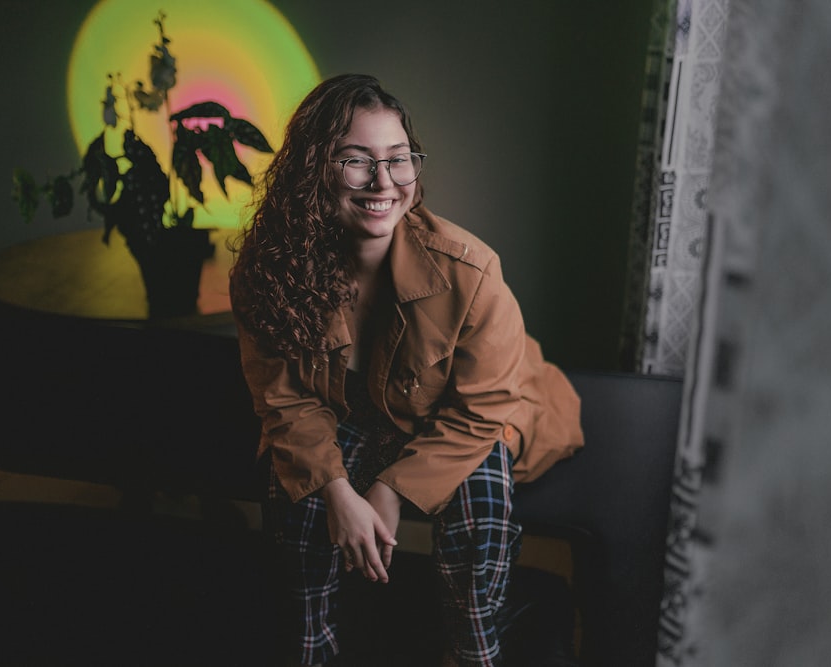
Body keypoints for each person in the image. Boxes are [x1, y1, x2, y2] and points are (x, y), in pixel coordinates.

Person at [229, 73, 584, 667]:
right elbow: (285, 400)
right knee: (299, 498)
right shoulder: (269, 269)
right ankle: (310, 646)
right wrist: (339, 491)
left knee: (483, 510)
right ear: (314, 168)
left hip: (451, 415)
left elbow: (483, 408)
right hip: (346, 412)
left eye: (399, 160)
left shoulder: (470, 270)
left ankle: (474, 653)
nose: (383, 182)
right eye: (356, 161)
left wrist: (392, 491)